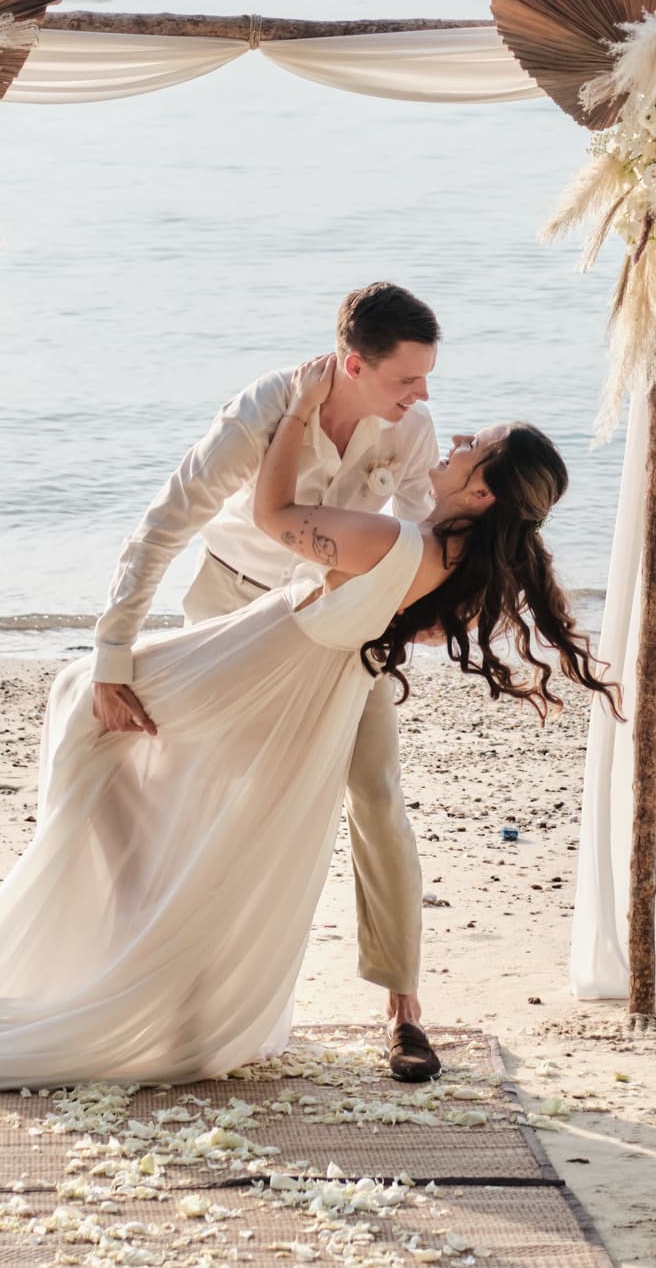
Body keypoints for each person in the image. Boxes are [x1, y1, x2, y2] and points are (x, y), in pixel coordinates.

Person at [0, 361, 611, 1099]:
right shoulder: (458, 562)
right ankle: (133, 938)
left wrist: (297, 412)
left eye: (473, 446)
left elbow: (274, 515)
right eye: (424, 390)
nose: (448, 431)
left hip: (262, 658)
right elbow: (392, 610)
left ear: (485, 491)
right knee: (115, 733)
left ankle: (121, 947)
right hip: (283, 652)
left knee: (85, 703)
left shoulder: (401, 532)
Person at [91, 282, 445, 1079]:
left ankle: (404, 1009)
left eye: (425, 378)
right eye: (405, 379)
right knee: (206, 791)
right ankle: (185, 995)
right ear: (353, 364)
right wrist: (113, 654)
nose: (421, 395)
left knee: (377, 791)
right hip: (235, 605)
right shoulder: (263, 411)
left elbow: (422, 531)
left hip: (343, 615)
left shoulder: (411, 426)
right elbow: (163, 524)